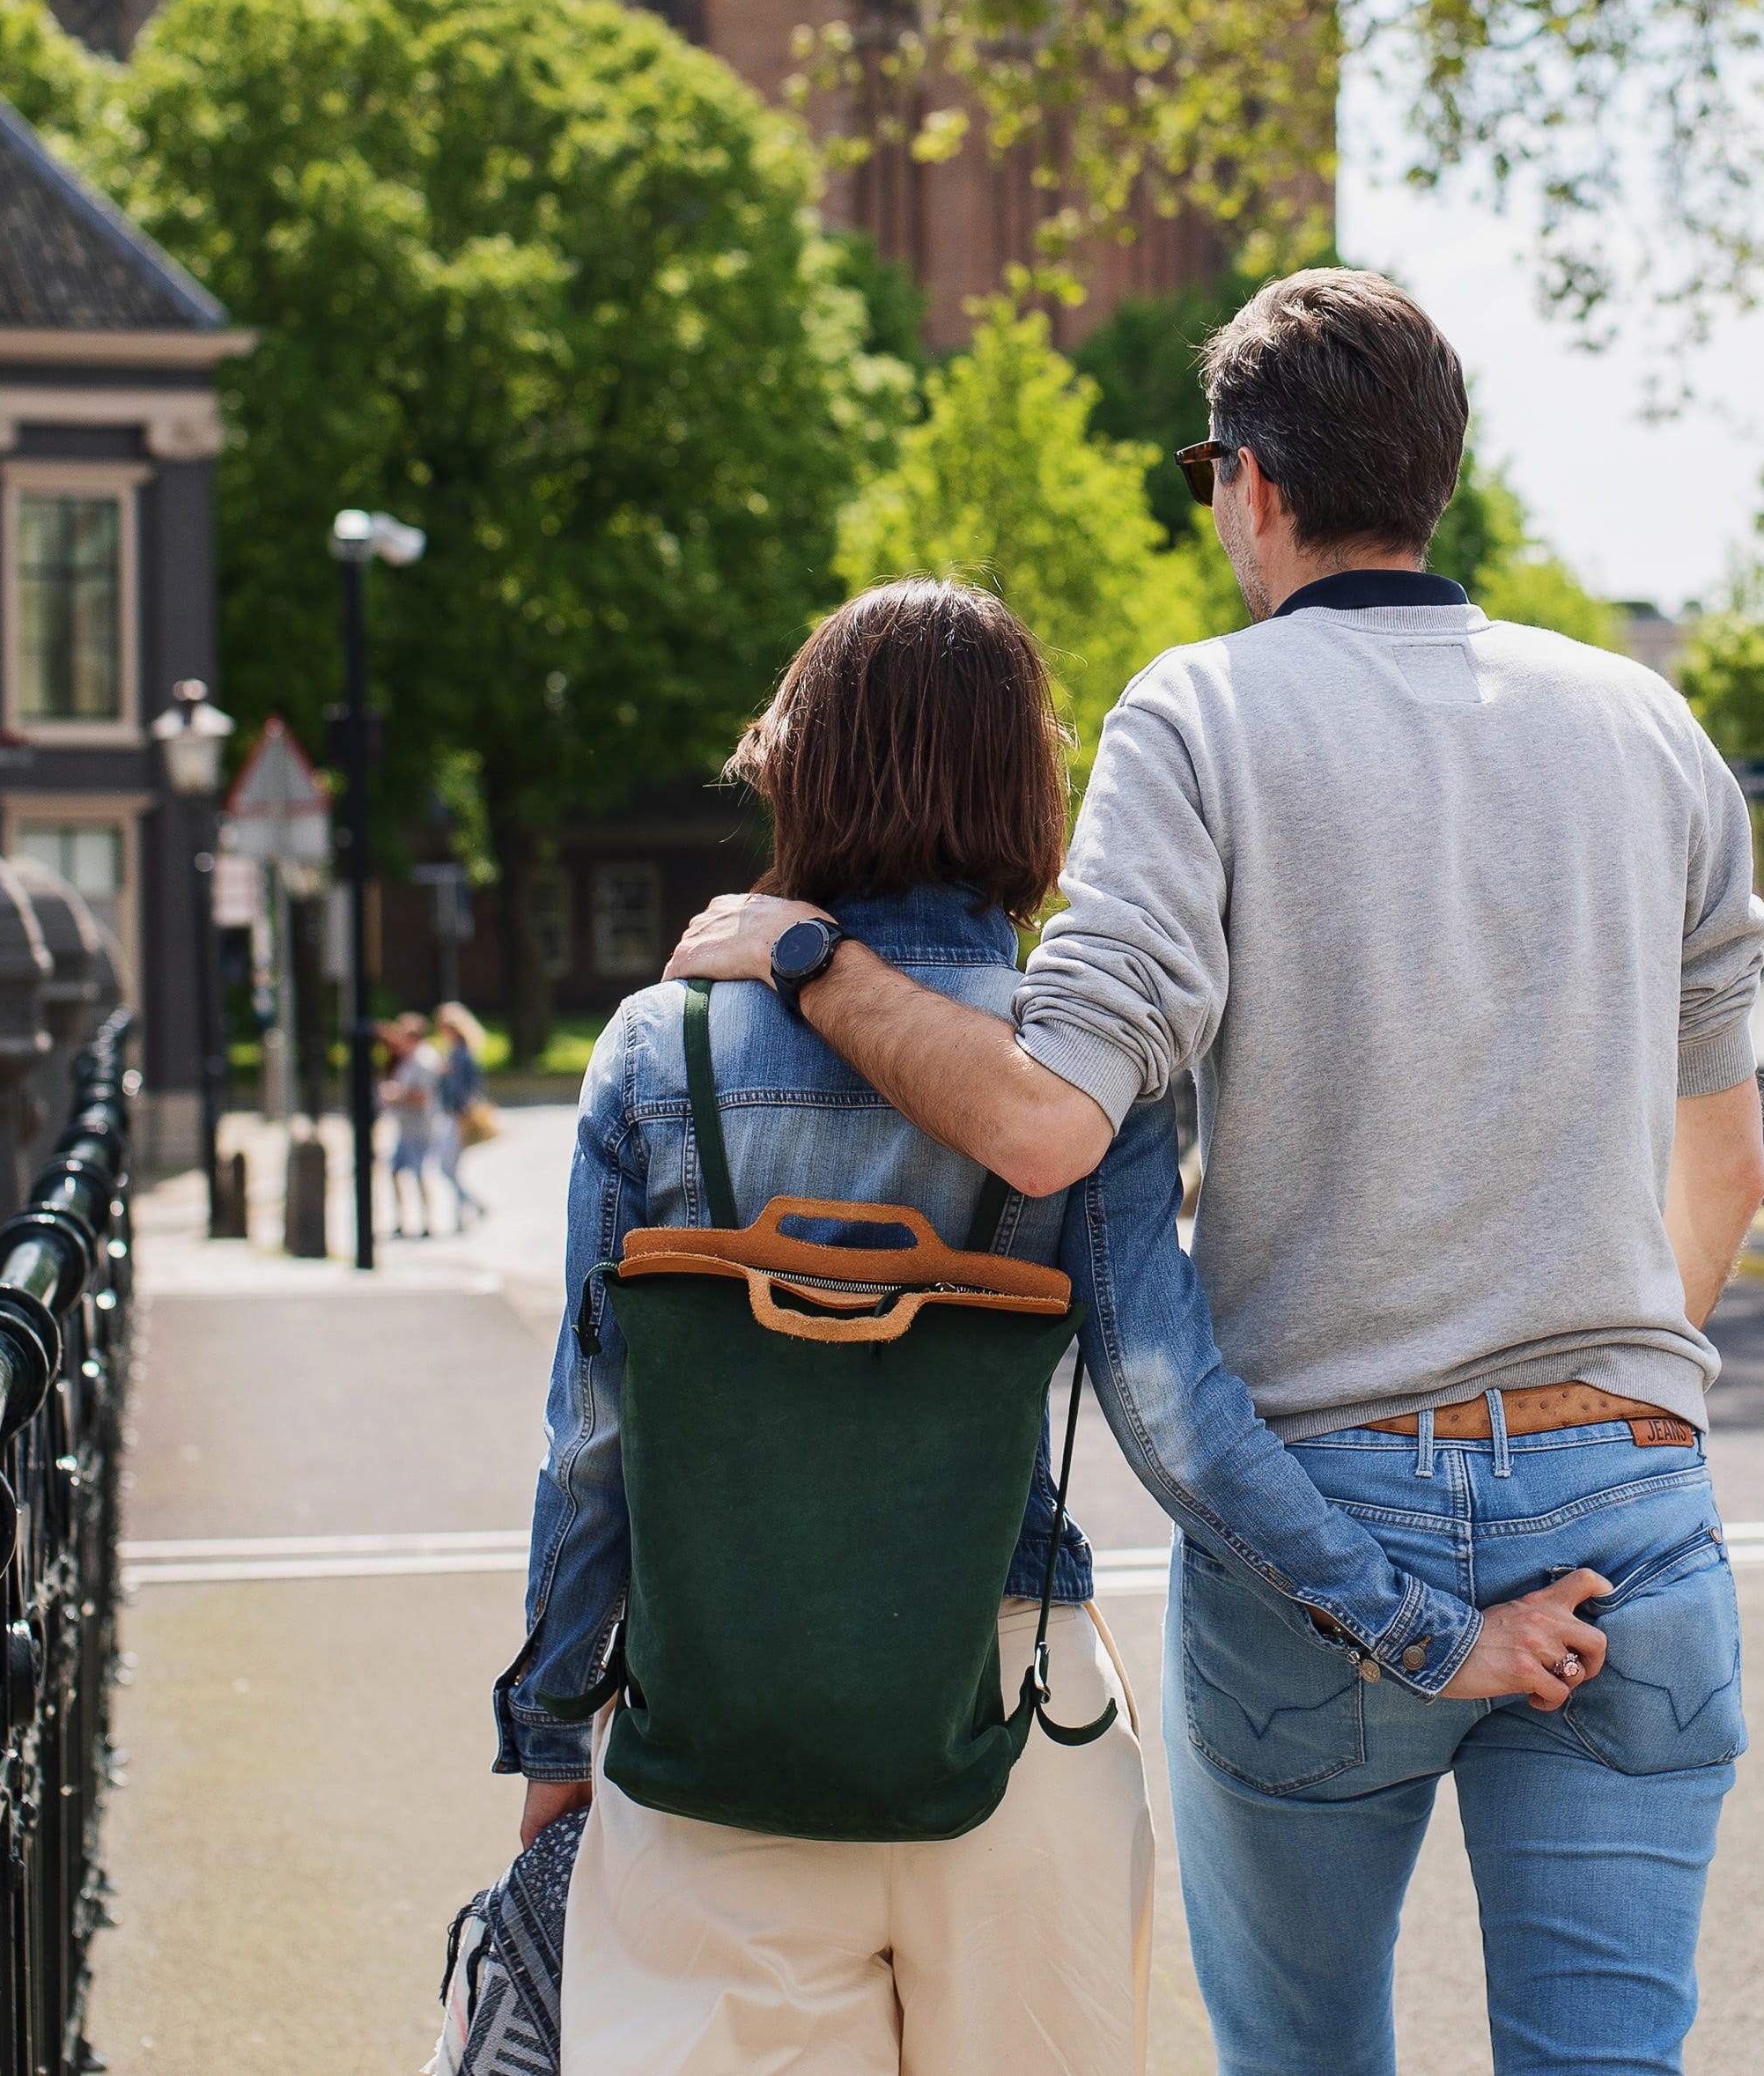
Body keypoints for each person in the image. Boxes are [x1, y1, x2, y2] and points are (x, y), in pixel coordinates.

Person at [670, 269, 1764, 2076]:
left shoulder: (1201, 716)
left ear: (1247, 482)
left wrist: (807, 952)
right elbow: (1719, 1168)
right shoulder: (1647, 727)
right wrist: (1600, 1402)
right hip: (1627, 1513)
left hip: (1328, 1521)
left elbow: (1043, 1121)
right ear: (1431, 472)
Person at [498, 578, 1615, 2074]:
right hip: (1016, 1714)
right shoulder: (1074, 1069)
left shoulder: (662, 1044)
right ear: (1027, 790)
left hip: (717, 1728)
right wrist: (1430, 1632)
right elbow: (1173, 1412)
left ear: (803, 764)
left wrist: (553, 1730)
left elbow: (594, 1436)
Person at [374, 1012, 443, 1239]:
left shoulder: (423, 1059)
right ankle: (402, 1219)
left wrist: (397, 1096)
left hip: (420, 1127)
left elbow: (424, 1096)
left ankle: (427, 1222)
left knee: (420, 1174)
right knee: (396, 1172)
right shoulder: (408, 1057)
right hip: (405, 1128)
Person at [428, 999, 493, 1230]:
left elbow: (465, 1089)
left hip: (457, 1117)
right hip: (450, 1115)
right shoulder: (454, 1053)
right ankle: (463, 1213)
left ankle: (469, 1209)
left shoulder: (462, 1055)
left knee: (447, 1169)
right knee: (449, 1169)